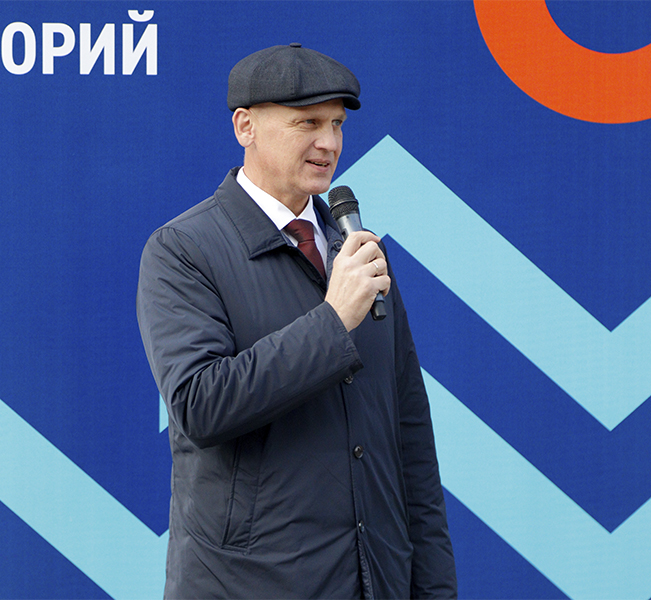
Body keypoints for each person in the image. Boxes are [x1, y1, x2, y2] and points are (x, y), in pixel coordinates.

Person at [137, 43, 457, 599]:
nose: (329, 143)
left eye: (336, 124)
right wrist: (333, 320)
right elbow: (200, 405)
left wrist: (433, 590)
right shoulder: (183, 250)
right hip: (248, 587)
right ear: (245, 127)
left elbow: (410, 442)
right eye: (307, 122)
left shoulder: (358, 254)